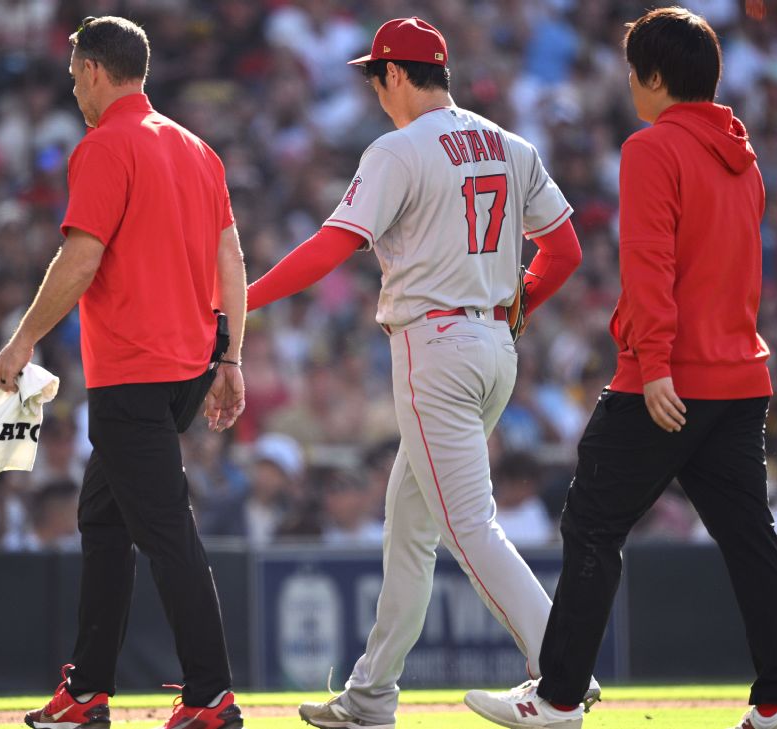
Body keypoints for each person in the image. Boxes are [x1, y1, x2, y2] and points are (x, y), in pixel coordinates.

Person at [245, 17, 589, 729]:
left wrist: (242, 300)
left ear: (396, 74)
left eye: (376, 76)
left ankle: (563, 671)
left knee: (467, 525)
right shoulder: (510, 143)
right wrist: (517, 306)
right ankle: (371, 694)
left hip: (435, 347)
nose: (375, 89)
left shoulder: (398, 149)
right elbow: (565, 249)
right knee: (408, 524)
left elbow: (330, 245)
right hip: (495, 347)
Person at [465, 8, 777, 729]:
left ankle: (556, 698)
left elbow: (650, 264)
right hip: (740, 376)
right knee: (752, 541)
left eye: (633, 72)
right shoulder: (743, 160)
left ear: (655, 78)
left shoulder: (652, 148)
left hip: (668, 379)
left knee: (591, 525)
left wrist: (651, 365)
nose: (628, 84)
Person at [0, 16, 247, 729]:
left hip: (131, 370)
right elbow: (232, 260)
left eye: (75, 75)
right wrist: (231, 356)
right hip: (188, 365)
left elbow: (80, 258)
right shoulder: (198, 149)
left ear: (97, 71)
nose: (74, 88)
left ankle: (211, 697)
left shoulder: (105, 146)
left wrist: (21, 342)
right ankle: (89, 689)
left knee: (166, 532)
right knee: (103, 519)